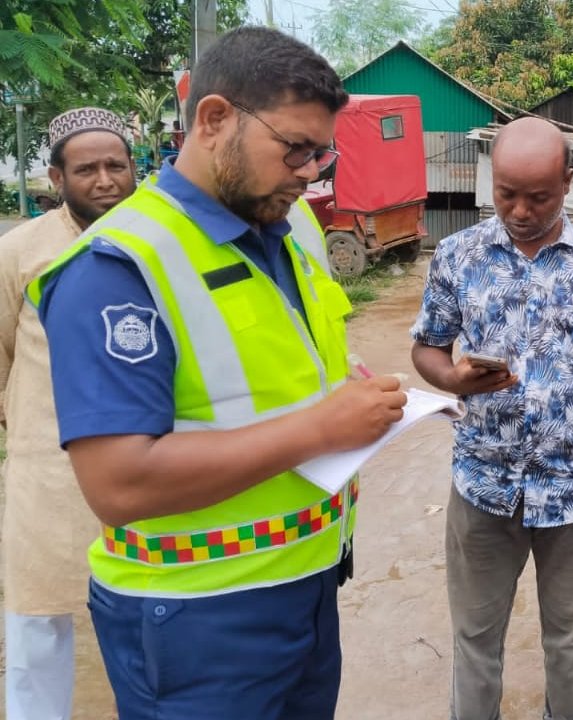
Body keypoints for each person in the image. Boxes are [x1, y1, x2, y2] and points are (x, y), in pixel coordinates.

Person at [27, 27, 407, 719]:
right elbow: (118, 482)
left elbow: (271, 382)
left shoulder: (284, 233)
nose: (310, 173)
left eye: (323, 154)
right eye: (295, 148)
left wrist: (347, 395)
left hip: (308, 590)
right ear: (212, 120)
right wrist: (320, 428)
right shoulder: (117, 268)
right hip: (197, 620)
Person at [410, 116, 573, 720]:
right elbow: (427, 347)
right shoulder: (457, 256)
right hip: (483, 484)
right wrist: (452, 378)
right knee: (475, 639)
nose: (520, 210)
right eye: (506, 194)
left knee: (570, 642)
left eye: (538, 197)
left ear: (568, 183)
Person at [0, 107, 135, 720]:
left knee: (142, 616)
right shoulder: (21, 251)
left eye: (116, 165)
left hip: (143, 461)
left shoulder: (156, 241)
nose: (104, 180)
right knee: (37, 622)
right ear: (57, 178)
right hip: (46, 467)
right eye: (86, 169)